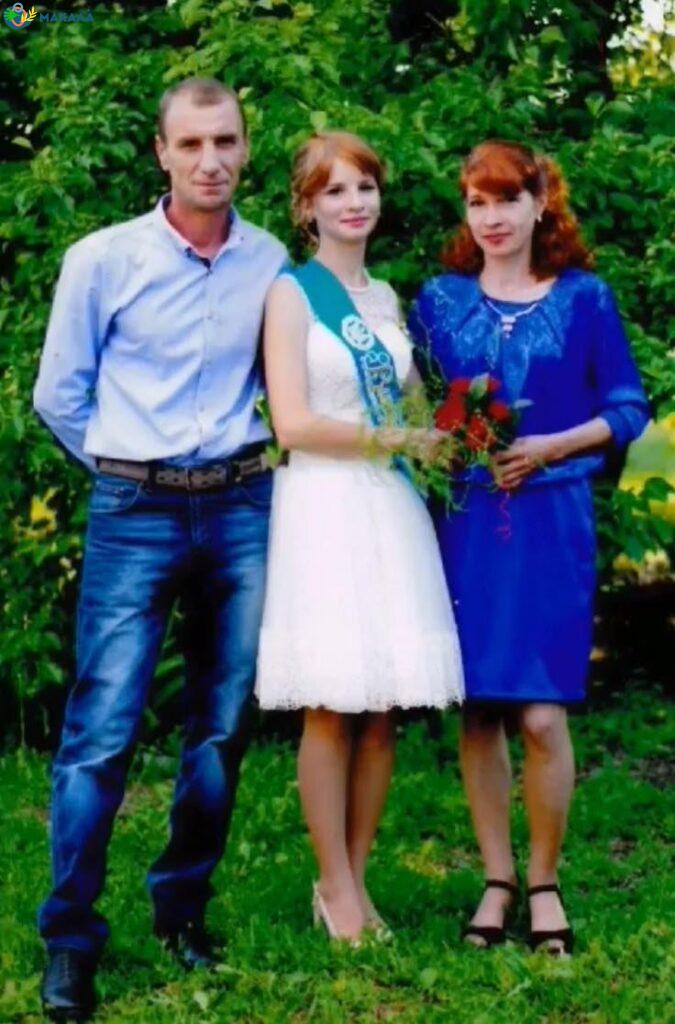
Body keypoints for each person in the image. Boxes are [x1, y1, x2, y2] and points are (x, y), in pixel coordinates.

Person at [33, 78, 287, 1021]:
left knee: (219, 727)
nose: (209, 161)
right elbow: (59, 394)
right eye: (191, 143)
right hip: (135, 506)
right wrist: (124, 468)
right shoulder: (102, 259)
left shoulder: (270, 261)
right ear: (161, 152)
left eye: (225, 141)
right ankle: (70, 939)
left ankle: (181, 910)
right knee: (102, 732)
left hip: (241, 506)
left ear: (245, 147)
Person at [409, 140, 649, 956]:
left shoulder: (584, 298)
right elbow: (412, 402)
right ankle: (496, 878)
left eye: (507, 199)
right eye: (477, 202)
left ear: (540, 203)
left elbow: (627, 408)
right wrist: (436, 440)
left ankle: (544, 882)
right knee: (479, 707)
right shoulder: (437, 301)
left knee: (542, 715)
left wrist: (551, 446)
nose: (492, 218)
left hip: (550, 521)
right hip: (467, 521)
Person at [255, 131, 464, 943]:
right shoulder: (291, 295)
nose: (354, 203)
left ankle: (357, 879)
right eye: (335, 191)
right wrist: (402, 439)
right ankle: (332, 887)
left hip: (389, 507)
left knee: (381, 709)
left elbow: (409, 406)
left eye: (365, 188)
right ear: (306, 207)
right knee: (331, 703)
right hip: (324, 506)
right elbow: (293, 424)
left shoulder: (384, 298)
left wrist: (449, 431)